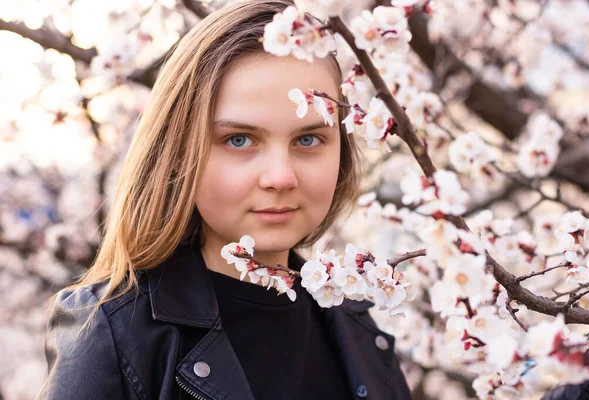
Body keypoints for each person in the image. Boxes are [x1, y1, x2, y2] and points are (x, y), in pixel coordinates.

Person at [36, 0, 413, 399]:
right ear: (179, 151)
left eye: (308, 139)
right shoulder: (112, 334)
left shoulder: (363, 335)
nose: (281, 177)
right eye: (239, 140)